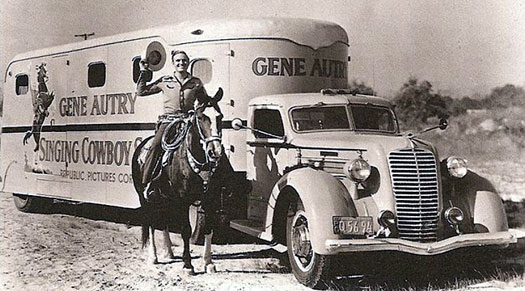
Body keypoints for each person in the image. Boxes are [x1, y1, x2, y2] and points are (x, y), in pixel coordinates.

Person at [137, 50, 208, 187]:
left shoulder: (196, 83)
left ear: (188, 63)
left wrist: (197, 112)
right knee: (155, 146)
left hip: (188, 122)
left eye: (184, 60)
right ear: (173, 64)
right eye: (178, 61)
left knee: (207, 144)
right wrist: (144, 72)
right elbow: (141, 91)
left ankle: (206, 182)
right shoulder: (165, 81)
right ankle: (146, 183)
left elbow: (203, 101)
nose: (181, 63)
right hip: (168, 122)